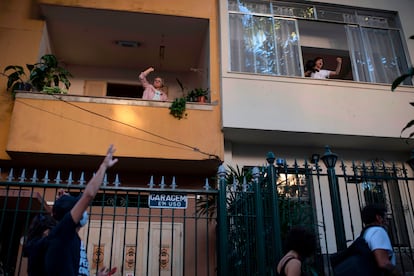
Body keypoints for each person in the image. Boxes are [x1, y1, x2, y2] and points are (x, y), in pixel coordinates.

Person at [44, 144, 118, 276]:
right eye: (79, 207)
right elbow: (88, 194)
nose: (84, 210)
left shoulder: (71, 238)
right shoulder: (61, 235)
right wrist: (104, 166)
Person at [361, 204, 401, 276]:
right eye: (385, 218)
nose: (387, 222)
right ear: (378, 217)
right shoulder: (378, 231)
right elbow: (384, 263)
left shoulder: (366, 232)